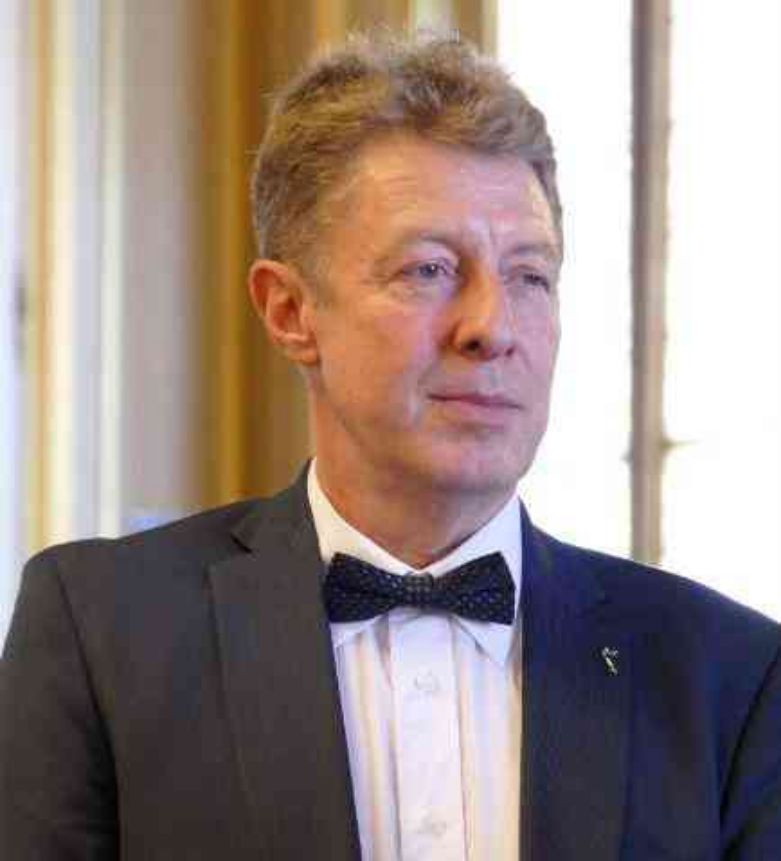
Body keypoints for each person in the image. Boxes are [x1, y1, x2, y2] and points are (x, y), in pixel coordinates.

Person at [2, 34, 780, 861]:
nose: (491, 326)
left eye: (529, 275)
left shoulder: (727, 673)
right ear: (290, 311)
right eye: (429, 270)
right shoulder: (100, 633)